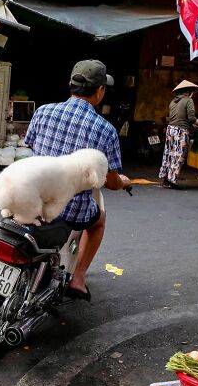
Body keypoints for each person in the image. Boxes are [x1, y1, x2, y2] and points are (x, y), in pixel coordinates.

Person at [24, 59, 131, 301]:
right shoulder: (105, 130)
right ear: (100, 91)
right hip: (68, 209)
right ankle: (78, 278)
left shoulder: (43, 112)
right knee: (98, 220)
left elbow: (31, 144)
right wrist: (123, 181)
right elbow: (112, 182)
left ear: (70, 84)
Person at [158, 80, 198, 190]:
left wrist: (191, 125)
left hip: (170, 129)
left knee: (169, 154)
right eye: (192, 92)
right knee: (178, 155)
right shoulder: (188, 100)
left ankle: (165, 178)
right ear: (189, 92)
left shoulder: (173, 102)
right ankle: (172, 180)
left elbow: (177, 117)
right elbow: (191, 118)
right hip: (180, 131)